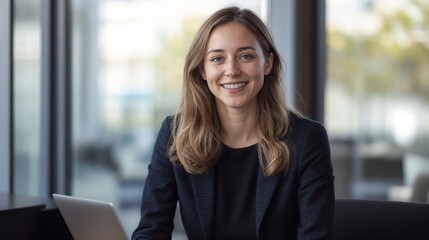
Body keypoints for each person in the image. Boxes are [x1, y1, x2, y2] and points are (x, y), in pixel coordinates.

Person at [132, 6, 335, 240]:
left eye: (246, 56)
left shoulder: (306, 139)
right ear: (203, 71)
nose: (231, 70)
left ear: (267, 64)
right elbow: (150, 230)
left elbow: (315, 236)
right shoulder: (175, 135)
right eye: (217, 58)